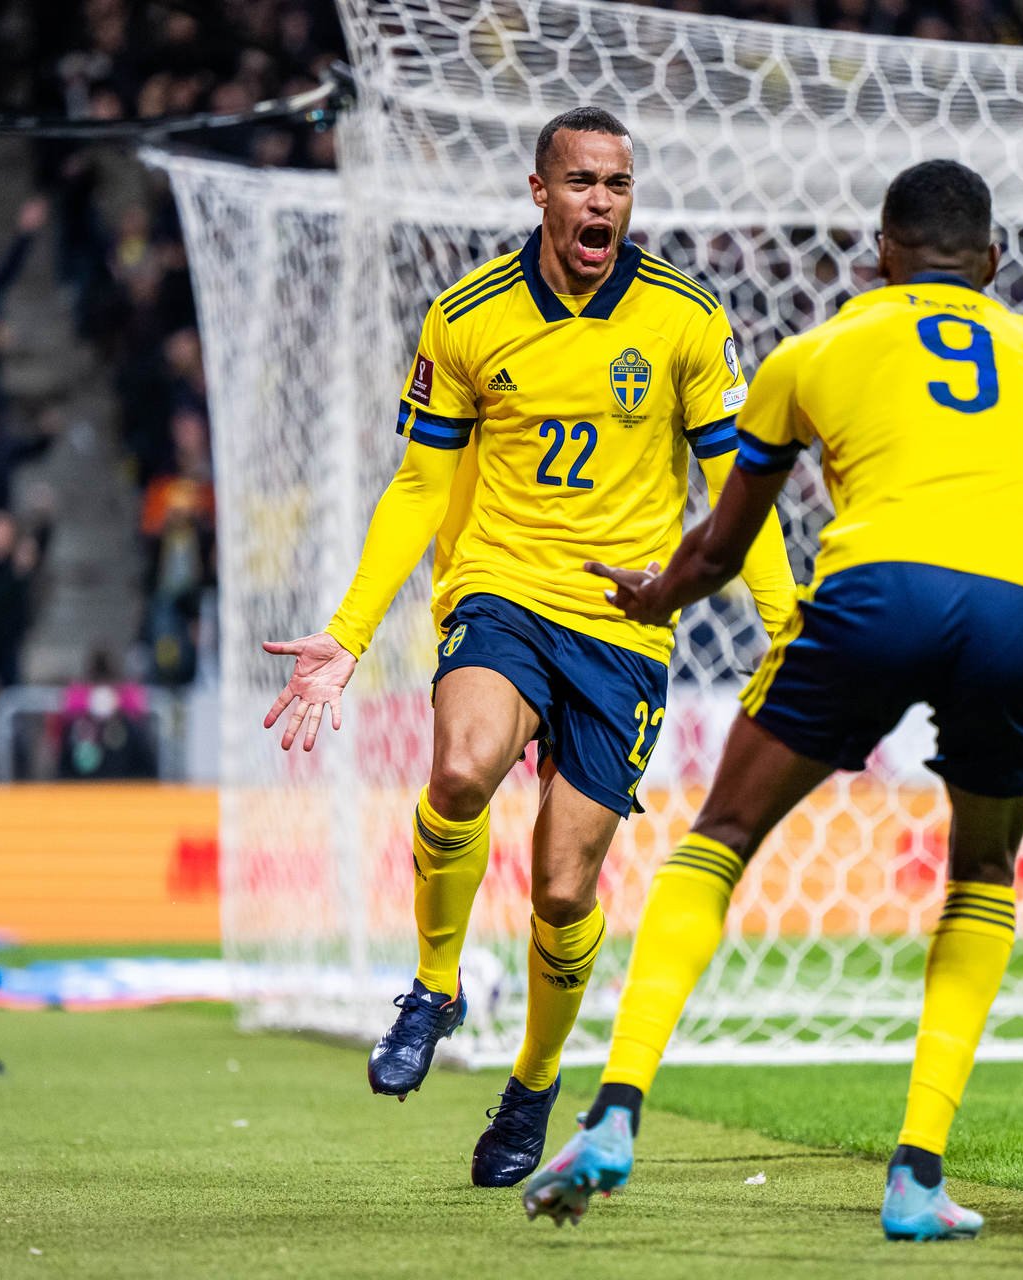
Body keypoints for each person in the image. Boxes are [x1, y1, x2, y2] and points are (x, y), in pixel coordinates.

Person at [520, 159, 1023, 1241]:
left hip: (878, 591)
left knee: (722, 834)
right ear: (993, 261)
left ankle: (613, 1115)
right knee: (983, 870)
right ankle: (917, 1176)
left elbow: (720, 547)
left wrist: (656, 595)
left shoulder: (813, 352)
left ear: (879, 253)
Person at [259, 107, 795, 1187]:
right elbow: (420, 484)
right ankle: (434, 986)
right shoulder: (466, 316)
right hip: (499, 589)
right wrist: (352, 631)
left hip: (627, 621)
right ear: (541, 190)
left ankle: (534, 1082)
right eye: (583, 181)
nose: (602, 201)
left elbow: (742, 487)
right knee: (460, 769)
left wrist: (787, 629)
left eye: (619, 184)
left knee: (561, 890)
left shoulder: (686, 318)